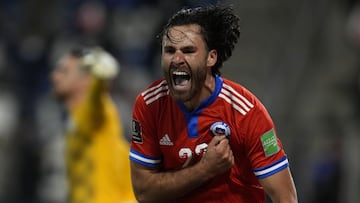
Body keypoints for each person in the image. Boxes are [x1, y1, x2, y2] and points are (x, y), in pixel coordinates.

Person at [129, 5, 298, 203]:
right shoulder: (149, 105)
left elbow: (286, 197)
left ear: (211, 57)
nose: (176, 59)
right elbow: (143, 193)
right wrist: (205, 169)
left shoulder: (246, 112)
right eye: (169, 50)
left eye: (188, 50)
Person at [50, 46, 136, 203]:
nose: (54, 76)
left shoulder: (98, 112)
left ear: (85, 80)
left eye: (64, 71)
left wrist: (100, 78)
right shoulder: (75, 120)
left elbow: (96, 100)